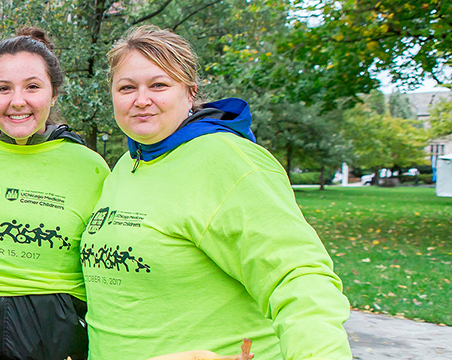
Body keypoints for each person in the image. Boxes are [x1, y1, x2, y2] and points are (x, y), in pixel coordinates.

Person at [79, 24, 352, 360]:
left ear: (190, 92)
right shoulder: (126, 164)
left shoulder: (228, 159)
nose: (141, 100)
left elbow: (298, 277)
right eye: (126, 87)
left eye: (159, 85)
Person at [0, 27, 108, 360]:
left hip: (55, 348)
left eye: (32, 87)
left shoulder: (90, 167)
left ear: (53, 93)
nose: (18, 101)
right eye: (3, 88)